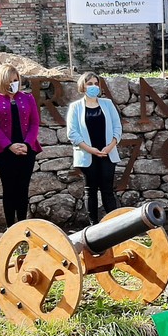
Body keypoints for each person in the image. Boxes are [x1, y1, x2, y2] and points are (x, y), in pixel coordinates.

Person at [0, 63, 42, 227]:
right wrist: (9, 145)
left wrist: (27, 144)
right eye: (9, 81)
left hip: (27, 150)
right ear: (1, 81)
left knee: (23, 189)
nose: (13, 84)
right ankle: (10, 227)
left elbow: (34, 123)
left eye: (15, 80)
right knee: (9, 189)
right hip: (4, 151)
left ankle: (22, 226)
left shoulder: (28, 98)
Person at [67, 72, 122, 225]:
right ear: (83, 86)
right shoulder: (75, 107)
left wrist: (110, 146)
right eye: (89, 83)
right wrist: (90, 149)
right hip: (87, 155)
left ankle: (114, 226)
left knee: (108, 190)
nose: (93, 86)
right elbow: (72, 133)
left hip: (107, 154)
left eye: (96, 84)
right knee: (90, 190)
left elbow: (117, 127)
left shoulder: (107, 104)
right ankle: (93, 226)